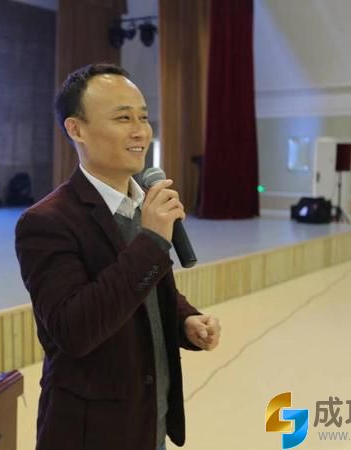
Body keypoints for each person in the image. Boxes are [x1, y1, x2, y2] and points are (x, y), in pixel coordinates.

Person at [15, 63, 222, 450]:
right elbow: (74, 330)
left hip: (149, 418)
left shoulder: (143, 204)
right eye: (123, 118)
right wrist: (152, 241)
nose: (140, 131)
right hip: (93, 432)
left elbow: (149, 287)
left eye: (143, 117)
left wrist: (184, 319)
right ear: (76, 129)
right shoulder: (46, 222)